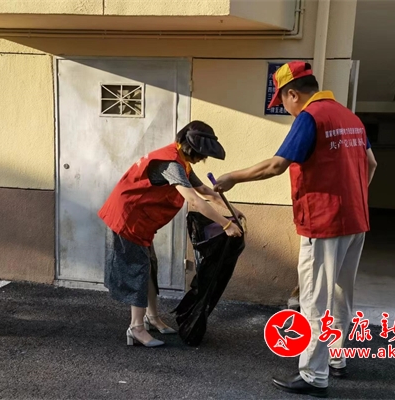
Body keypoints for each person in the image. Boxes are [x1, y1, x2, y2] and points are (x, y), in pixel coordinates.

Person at [213, 61, 377, 396]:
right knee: (341, 295)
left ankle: (314, 376)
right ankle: (336, 359)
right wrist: (353, 196)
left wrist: (232, 177)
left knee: (315, 299)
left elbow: (276, 165)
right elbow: (372, 164)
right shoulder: (350, 118)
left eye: (283, 102)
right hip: (355, 221)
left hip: (324, 223)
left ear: (292, 94)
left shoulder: (310, 117)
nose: (286, 110)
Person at [98, 121, 244, 348]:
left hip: (141, 220)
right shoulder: (170, 163)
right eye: (200, 153)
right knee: (138, 269)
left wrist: (232, 210)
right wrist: (226, 225)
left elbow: (204, 190)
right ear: (189, 147)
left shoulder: (181, 161)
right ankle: (136, 328)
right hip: (128, 219)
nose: (202, 158)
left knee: (150, 267)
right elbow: (193, 199)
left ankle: (152, 317)